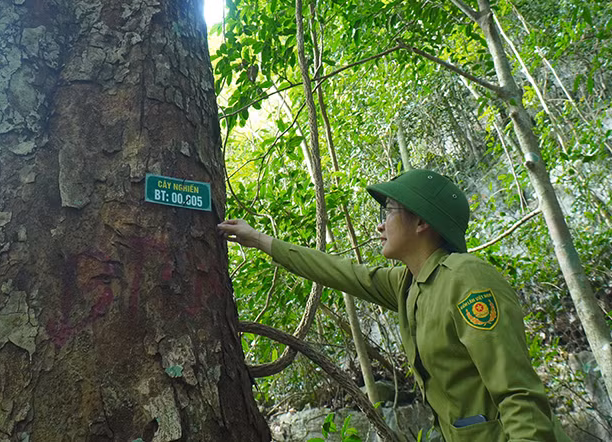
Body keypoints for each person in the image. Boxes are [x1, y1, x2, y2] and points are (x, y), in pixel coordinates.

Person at [218, 169, 568, 442]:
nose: (380, 224)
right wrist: (261, 240)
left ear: (422, 222)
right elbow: (338, 271)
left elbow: (518, 394)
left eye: (390, 211)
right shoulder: (408, 284)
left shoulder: (467, 279)